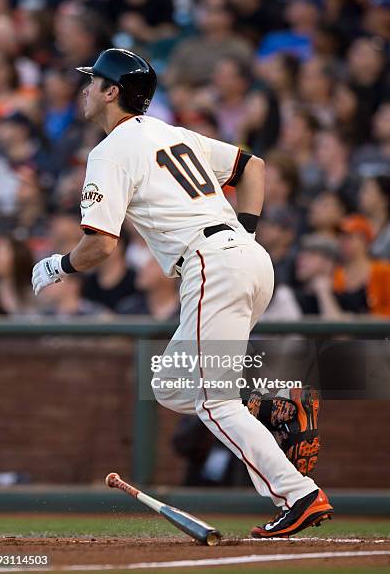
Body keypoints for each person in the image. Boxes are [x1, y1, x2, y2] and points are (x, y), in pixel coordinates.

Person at [31, 47, 333, 537]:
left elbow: (100, 247)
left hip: (212, 263)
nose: (86, 88)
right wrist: (245, 235)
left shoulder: (109, 151)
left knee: (214, 401)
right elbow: (251, 166)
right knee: (171, 385)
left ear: (113, 92)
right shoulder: (168, 132)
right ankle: (269, 406)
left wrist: (58, 265)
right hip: (247, 258)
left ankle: (298, 494)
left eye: (95, 81)